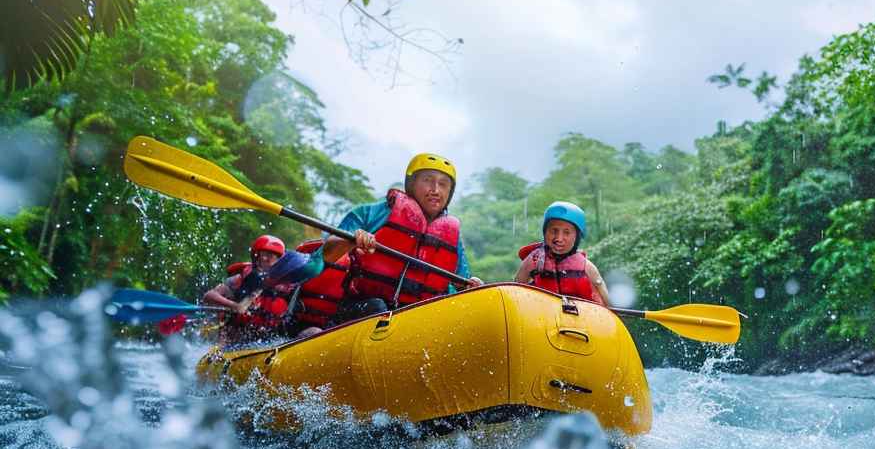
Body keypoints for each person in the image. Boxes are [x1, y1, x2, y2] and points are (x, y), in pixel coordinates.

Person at [320, 152, 483, 322]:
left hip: (418, 318)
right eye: (427, 180)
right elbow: (325, 255)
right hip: (360, 308)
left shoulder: (451, 237)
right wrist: (352, 240)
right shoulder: (370, 214)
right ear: (411, 184)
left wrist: (471, 285)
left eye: (443, 184)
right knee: (377, 307)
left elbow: (461, 284)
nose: (435, 190)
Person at [202, 234, 296, 343]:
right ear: (255, 258)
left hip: (270, 342)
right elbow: (209, 296)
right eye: (261, 255)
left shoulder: (288, 286)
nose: (264, 258)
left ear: (279, 261)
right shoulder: (241, 279)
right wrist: (235, 306)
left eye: (270, 255)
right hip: (235, 340)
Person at [514, 201, 610, 306]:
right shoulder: (534, 260)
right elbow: (516, 288)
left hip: (582, 317)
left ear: (576, 237)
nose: (559, 238)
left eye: (567, 232)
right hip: (544, 314)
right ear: (545, 232)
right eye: (554, 231)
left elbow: (603, 293)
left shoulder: (586, 266)